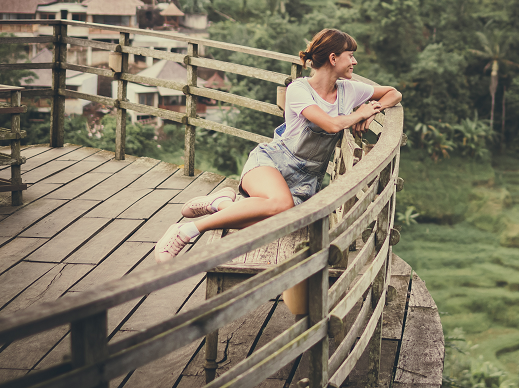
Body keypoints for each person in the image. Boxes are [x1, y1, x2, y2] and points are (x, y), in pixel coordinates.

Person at [155, 28, 402, 263]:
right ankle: (185, 231)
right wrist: (360, 114)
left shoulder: (349, 90)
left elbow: (393, 93)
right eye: (351, 56)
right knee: (280, 204)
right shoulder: (299, 89)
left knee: (273, 224)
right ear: (333, 57)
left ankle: (220, 205)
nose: (355, 62)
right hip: (272, 163)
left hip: (305, 182)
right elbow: (329, 124)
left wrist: (371, 111)